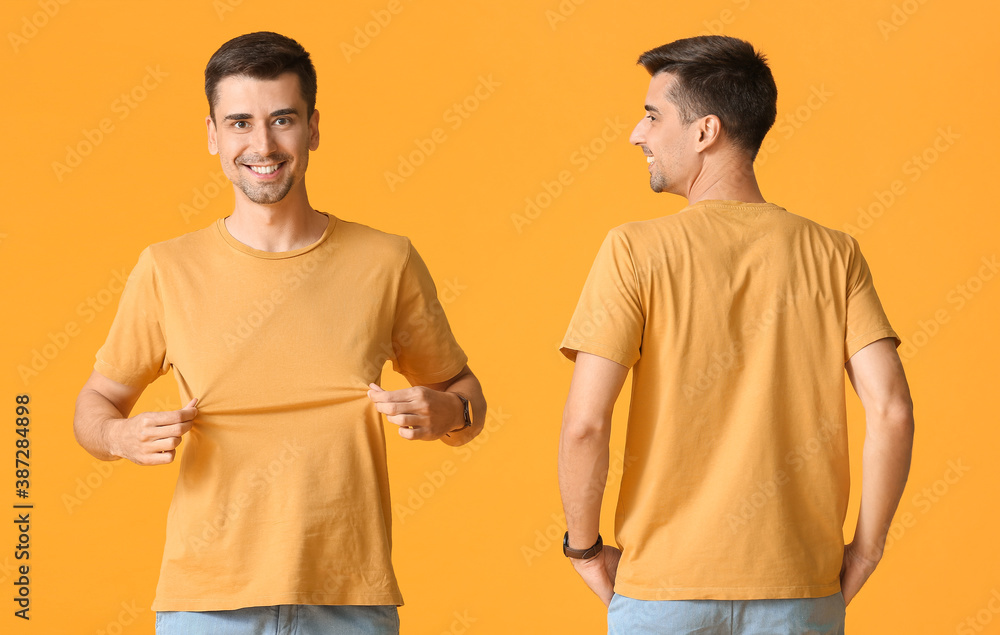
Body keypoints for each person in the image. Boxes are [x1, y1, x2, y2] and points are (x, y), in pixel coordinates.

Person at [72, 31, 486, 635]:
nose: (261, 144)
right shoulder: (165, 268)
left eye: (282, 119)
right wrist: (119, 435)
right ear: (212, 134)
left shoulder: (386, 261)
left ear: (313, 128)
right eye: (239, 122)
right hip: (206, 604)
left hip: (350, 600)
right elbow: (94, 404)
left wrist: (447, 411)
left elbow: (468, 397)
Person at [557, 35, 914, 634]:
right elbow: (892, 410)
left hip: (663, 591)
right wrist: (867, 550)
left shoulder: (634, 250)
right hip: (800, 586)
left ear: (706, 131)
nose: (636, 135)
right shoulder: (834, 254)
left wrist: (585, 550)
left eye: (652, 115)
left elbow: (586, 424)